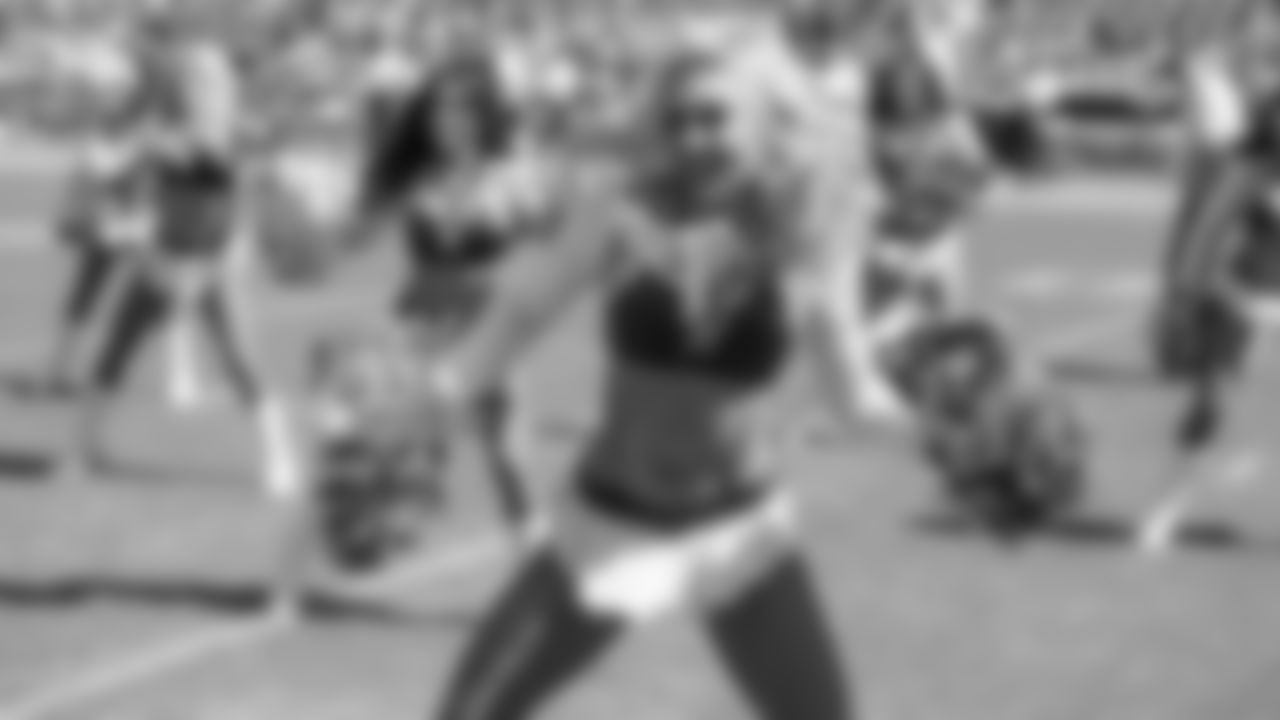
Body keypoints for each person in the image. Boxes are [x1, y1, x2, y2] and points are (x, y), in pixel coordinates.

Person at [382, 13, 893, 716]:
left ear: (763, 116)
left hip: (738, 532)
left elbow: (853, 388)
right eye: (676, 119)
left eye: (714, 117)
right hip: (607, 522)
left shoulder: (806, 226)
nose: (692, 138)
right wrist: (437, 395)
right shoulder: (622, 205)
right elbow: (525, 309)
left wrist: (955, 430)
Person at [63, 9, 296, 503]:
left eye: (210, 82)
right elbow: (120, 181)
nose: (203, 91)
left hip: (214, 264)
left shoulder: (230, 140)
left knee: (242, 361)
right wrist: (112, 192)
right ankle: (84, 448)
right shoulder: (160, 136)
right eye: (194, 83)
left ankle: (280, 458)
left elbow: (232, 181)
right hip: (161, 259)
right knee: (115, 351)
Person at [333, 44, 539, 537]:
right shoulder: (414, 176)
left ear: (484, 114)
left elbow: (549, 249)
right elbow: (353, 238)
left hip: (486, 325)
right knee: (386, 446)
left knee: (505, 451)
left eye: (461, 107)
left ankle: (533, 552)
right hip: (420, 323)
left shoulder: (513, 176)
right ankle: (360, 538)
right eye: (439, 107)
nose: (448, 118)